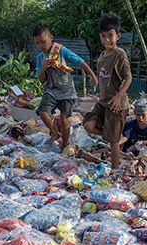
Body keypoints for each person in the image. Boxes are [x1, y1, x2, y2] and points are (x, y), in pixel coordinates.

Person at [33, 21, 98, 150]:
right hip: (50, 90)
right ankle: (55, 133)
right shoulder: (40, 58)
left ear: (51, 38)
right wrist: (43, 70)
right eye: (37, 43)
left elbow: (79, 61)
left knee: (64, 119)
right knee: (42, 112)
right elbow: (41, 80)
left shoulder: (61, 51)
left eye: (43, 41)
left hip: (66, 91)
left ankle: (64, 145)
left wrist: (92, 74)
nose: (40, 45)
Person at [83, 12, 132, 169]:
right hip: (103, 102)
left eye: (110, 35)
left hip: (116, 105)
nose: (107, 40)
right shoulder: (102, 56)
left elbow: (128, 78)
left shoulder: (120, 55)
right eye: (103, 36)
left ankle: (115, 170)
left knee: (113, 142)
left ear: (117, 35)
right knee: (88, 125)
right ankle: (113, 135)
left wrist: (118, 96)